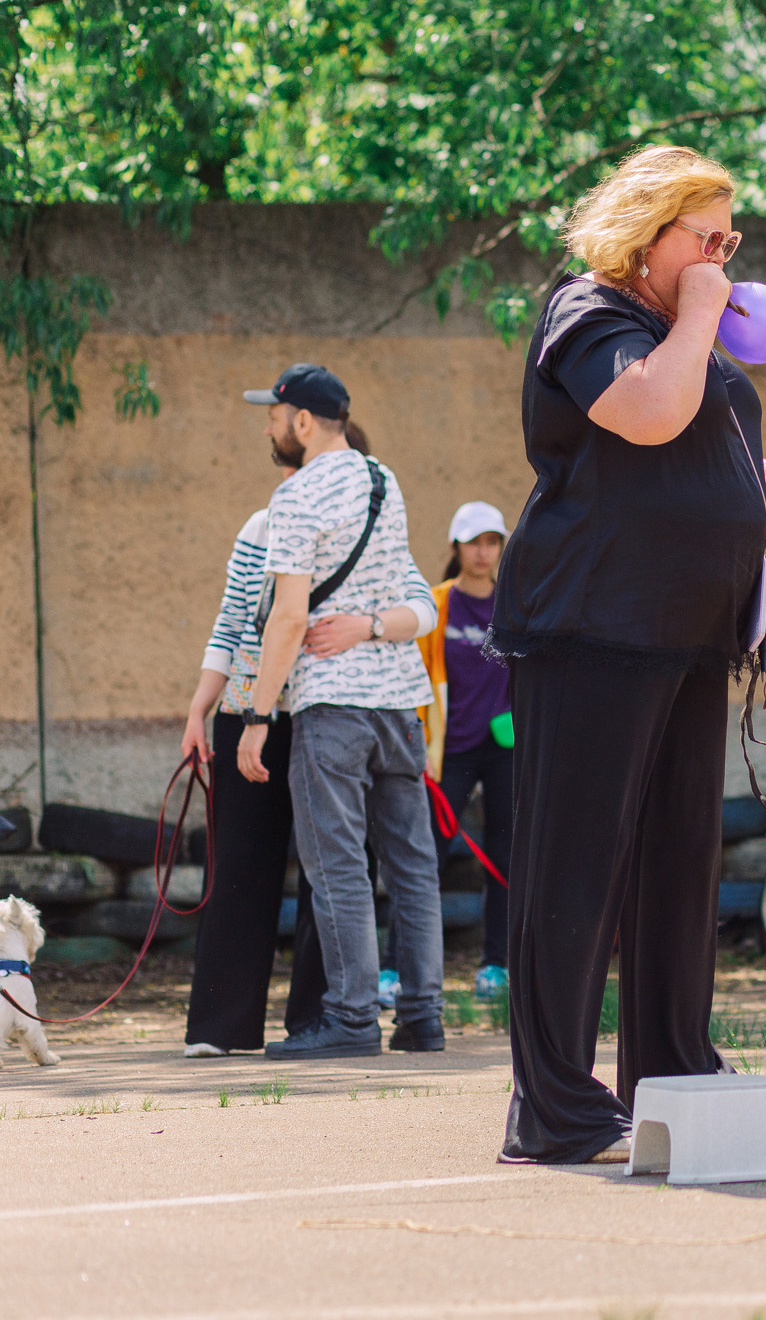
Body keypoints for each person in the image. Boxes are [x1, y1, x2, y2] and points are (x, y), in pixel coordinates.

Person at [488, 145, 766, 1163]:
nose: (724, 255)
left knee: (676, 865)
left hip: (686, 632)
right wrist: (705, 311)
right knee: (575, 870)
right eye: (706, 237)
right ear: (647, 231)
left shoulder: (681, 333)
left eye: (732, 238)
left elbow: (690, 434)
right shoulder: (590, 313)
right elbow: (649, 412)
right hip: (592, 625)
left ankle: (671, 1071)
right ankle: (554, 1106)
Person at [236, 362, 444, 1060]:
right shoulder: (386, 480)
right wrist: (373, 625)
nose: (268, 425)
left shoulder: (295, 496)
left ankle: (353, 1018)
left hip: (333, 705)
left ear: (301, 420)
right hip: (398, 704)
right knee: (413, 867)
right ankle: (422, 1015)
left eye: (273, 414)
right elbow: (416, 597)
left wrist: (257, 716)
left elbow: (289, 617)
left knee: (339, 867)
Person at [179, 420, 376, 1056]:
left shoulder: (372, 535)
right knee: (238, 863)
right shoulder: (260, 527)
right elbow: (232, 620)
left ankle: (321, 1021)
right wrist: (198, 709)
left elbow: (396, 614)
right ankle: (219, 1027)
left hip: (329, 711)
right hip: (245, 709)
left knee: (334, 866)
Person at [412, 501, 515, 1004]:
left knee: (506, 858)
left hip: (502, 750)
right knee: (422, 857)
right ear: (456, 546)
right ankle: (402, 968)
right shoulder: (435, 604)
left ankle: (496, 965)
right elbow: (414, 676)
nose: (483, 551)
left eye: (492, 541)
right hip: (445, 752)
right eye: (474, 541)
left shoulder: (512, 604)